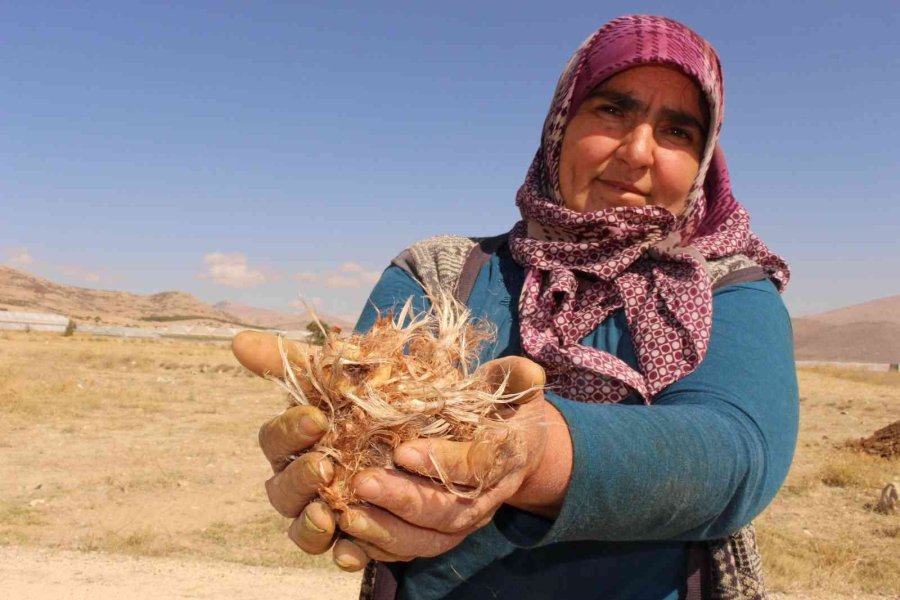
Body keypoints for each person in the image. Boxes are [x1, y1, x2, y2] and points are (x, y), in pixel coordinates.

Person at [234, 14, 799, 600]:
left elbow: (735, 455)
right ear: (559, 125)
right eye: (612, 111)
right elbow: (380, 404)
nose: (638, 152)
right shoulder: (439, 273)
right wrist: (342, 441)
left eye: (677, 132)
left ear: (703, 159)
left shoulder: (728, 285)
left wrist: (531, 455)